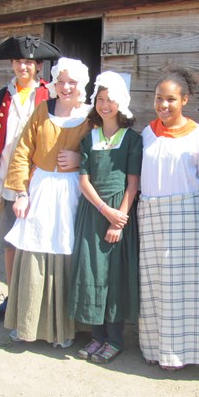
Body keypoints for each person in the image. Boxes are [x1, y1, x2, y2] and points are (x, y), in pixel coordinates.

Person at [3, 57, 92, 349]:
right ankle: (30, 323)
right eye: (61, 81)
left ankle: (65, 327)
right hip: (40, 189)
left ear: (82, 85)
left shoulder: (92, 116)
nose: (66, 87)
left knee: (67, 250)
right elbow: (22, 150)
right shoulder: (43, 110)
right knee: (35, 249)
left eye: (72, 82)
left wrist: (81, 160)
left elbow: (103, 155)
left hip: (73, 194)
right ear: (54, 83)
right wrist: (21, 191)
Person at [138, 65, 199, 370]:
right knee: (154, 285)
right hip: (150, 216)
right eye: (159, 98)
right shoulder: (147, 133)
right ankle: (153, 348)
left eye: (171, 99)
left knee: (181, 289)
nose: (163, 105)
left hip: (186, 219)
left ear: (184, 100)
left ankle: (179, 355)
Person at [0, 35, 61, 323]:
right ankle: (13, 297)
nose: (22, 67)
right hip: (7, 179)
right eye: (18, 62)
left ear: (38, 65)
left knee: (37, 241)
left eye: (28, 62)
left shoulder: (50, 96)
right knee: (9, 241)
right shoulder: (3, 95)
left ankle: (38, 302)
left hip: (39, 180)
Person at [68, 71, 142, 363]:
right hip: (94, 210)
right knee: (92, 271)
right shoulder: (89, 138)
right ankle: (96, 336)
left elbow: (133, 184)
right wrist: (104, 210)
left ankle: (114, 339)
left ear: (120, 103)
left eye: (110, 100)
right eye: (100, 99)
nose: (105, 105)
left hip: (119, 213)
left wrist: (118, 219)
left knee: (114, 275)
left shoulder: (132, 140)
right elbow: (83, 181)